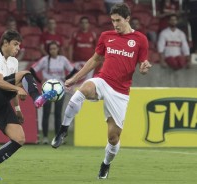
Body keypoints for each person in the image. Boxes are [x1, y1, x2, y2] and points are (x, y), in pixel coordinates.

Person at [51, 3, 152, 179]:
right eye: (112, 21)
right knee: (81, 91)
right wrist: (75, 78)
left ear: (127, 19)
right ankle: (63, 129)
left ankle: (106, 164)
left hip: (120, 92)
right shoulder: (106, 36)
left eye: (118, 20)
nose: (115, 24)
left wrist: (144, 69)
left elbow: (143, 64)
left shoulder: (140, 39)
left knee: (113, 138)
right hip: (102, 81)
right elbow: (95, 59)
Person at [0, 29, 57, 180]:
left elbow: (12, 86)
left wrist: (18, 109)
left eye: (19, 45)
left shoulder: (14, 61)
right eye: (15, 44)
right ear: (5, 43)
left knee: (19, 138)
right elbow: (0, 82)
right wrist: (18, 88)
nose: (18, 48)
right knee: (26, 74)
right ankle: (37, 98)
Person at [30, 41, 77, 144]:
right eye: (51, 49)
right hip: (47, 89)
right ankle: (45, 137)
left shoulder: (63, 59)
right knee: (46, 113)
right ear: (48, 50)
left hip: (60, 89)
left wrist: (66, 79)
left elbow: (74, 70)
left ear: (58, 49)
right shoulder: (44, 60)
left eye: (55, 48)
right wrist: (39, 80)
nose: (53, 51)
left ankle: (58, 137)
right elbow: (32, 69)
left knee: (58, 113)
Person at [69, 16, 97, 85]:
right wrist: (70, 60)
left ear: (88, 24)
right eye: (82, 23)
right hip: (77, 62)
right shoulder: (75, 34)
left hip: (89, 62)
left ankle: (87, 95)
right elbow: (71, 47)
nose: (84, 24)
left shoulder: (93, 35)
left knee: (88, 81)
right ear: (80, 24)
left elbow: (97, 48)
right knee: (77, 80)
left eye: (86, 23)